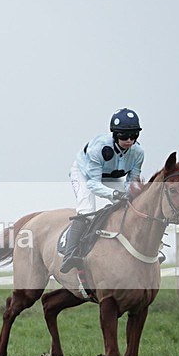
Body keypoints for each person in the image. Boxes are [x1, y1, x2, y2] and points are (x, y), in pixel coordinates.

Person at [60, 108, 145, 273]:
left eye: (134, 135)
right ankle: (69, 255)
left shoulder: (138, 153)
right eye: (123, 136)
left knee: (130, 206)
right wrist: (115, 194)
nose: (129, 140)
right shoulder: (98, 149)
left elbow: (132, 181)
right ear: (114, 134)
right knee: (87, 210)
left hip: (111, 175)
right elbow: (93, 184)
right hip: (85, 174)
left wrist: (128, 194)